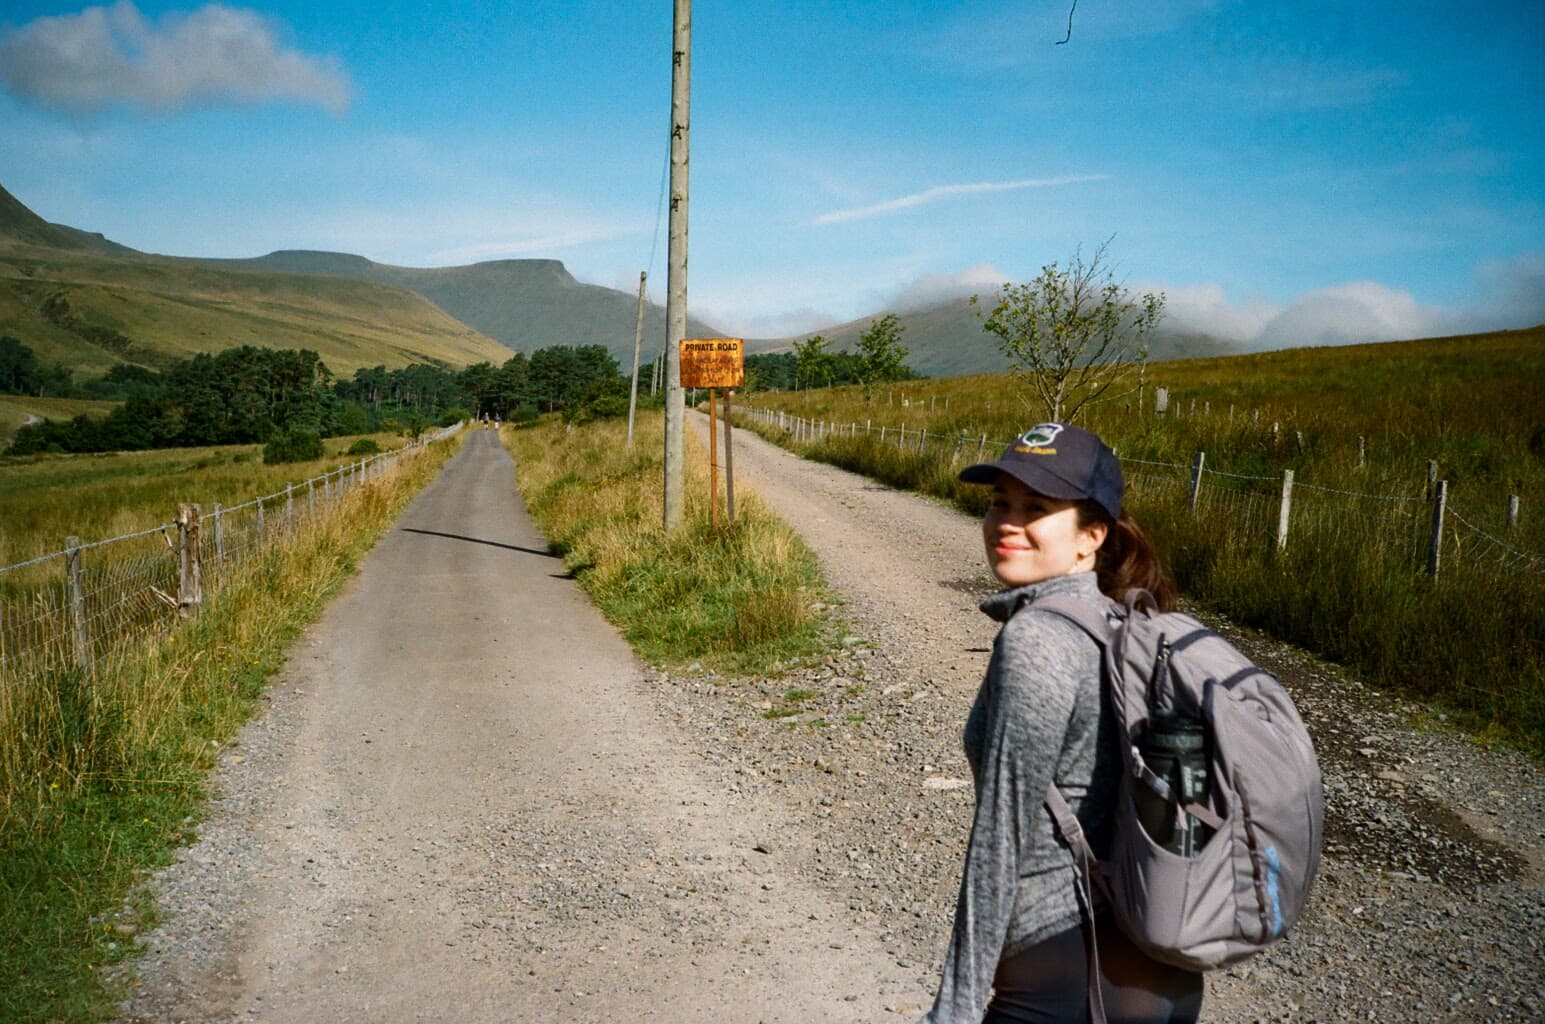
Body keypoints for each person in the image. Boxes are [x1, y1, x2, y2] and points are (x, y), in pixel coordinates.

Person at [919, 422, 1202, 1024]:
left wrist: (956, 1006)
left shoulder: (1037, 639)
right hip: (1156, 970)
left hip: (1061, 976)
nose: (1007, 523)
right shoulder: (1124, 625)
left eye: (1037, 508)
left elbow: (1001, 837)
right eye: (1000, 502)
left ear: (1091, 535)